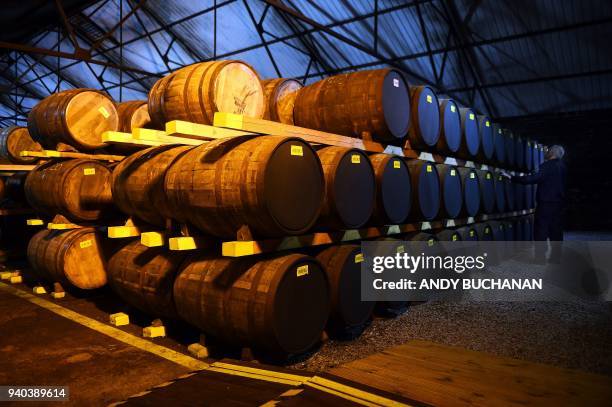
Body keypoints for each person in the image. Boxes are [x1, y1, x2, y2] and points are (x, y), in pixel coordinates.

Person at [504, 145, 567, 263]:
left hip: (545, 204)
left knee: (541, 231)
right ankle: (556, 258)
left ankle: (540, 258)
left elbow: (533, 179)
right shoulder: (563, 167)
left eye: (548, 151)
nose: (547, 152)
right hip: (559, 204)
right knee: (557, 232)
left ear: (552, 153)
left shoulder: (547, 166)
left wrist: (513, 178)